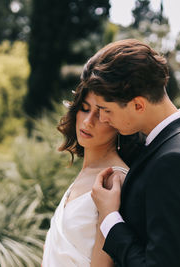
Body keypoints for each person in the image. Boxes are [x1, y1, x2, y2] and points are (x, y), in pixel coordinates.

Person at [86, 39, 180, 266]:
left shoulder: (176, 162)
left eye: (106, 110)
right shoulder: (179, 143)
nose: (103, 119)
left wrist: (110, 217)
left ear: (139, 105)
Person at [41, 81, 143, 266]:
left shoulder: (113, 179)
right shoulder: (87, 171)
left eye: (101, 114)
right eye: (85, 109)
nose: (88, 122)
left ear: (118, 122)